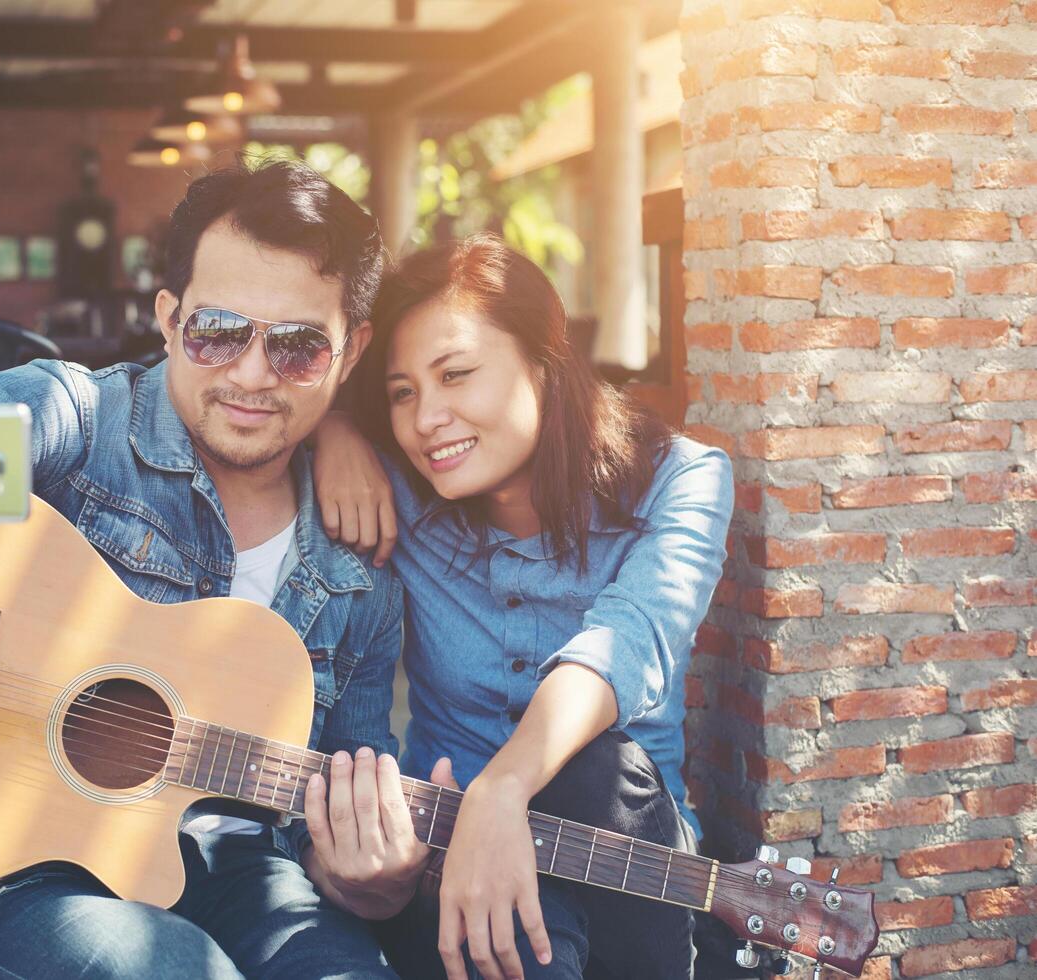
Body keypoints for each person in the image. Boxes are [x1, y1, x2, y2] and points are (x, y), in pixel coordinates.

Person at [0, 160, 443, 979]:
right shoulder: (78, 422)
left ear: (350, 350)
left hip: (246, 877)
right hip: (10, 872)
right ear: (167, 317)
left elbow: (334, 807)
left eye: (298, 348)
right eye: (218, 332)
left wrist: (371, 881)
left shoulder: (362, 562)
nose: (252, 375)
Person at [312, 235, 734, 980]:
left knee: (597, 768)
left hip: (625, 872)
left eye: (457, 375)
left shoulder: (683, 480)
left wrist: (501, 787)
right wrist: (332, 430)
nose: (425, 418)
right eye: (403, 392)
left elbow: (627, 641)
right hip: (448, 871)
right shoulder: (398, 495)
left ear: (546, 362)